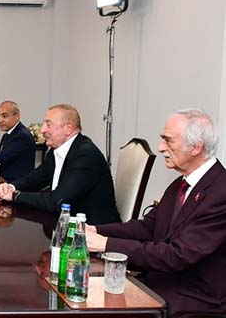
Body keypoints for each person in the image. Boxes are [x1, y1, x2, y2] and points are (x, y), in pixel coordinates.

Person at [87, 109, 226, 314]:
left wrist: (106, 244)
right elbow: (147, 228)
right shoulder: (180, 184)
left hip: (193, 296)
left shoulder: (220, 192)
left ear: (196, 147)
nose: (160, 147)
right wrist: (95, 230)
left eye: (168, 141)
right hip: (162, 281)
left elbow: (177, 256)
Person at [0, 104, 120, 225]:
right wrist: (10, 187)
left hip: (94, 231)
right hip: (63, 223)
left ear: (68, 129)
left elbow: (57, 201)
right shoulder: (56, 151)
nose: (42, 129)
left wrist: (15, 196)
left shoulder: (85, 156)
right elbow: (36, 178)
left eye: (48, 124)